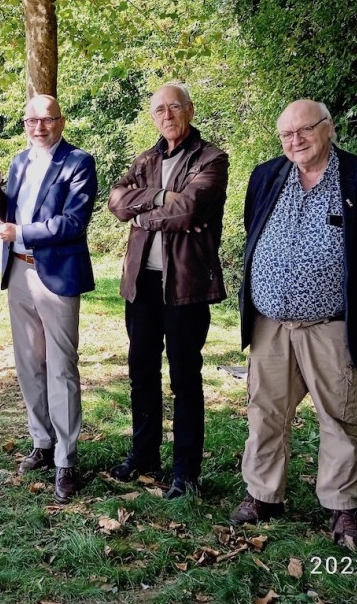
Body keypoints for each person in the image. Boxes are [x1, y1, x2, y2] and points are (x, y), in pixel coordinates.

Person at [230, 98, 357, 547]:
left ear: (328, 128)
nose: (295, 141)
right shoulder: (266, 175)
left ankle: (342, 508)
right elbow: (253, 228)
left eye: (304, 130)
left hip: (331, 324)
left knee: (340, 417)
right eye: (286, 135)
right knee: (265, 412)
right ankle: (264, 495)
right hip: (270, 324)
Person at [108, 83, 229, 500]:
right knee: (141, 373)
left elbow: (192, 208)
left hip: (185, 286)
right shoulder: (146, 159)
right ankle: (144, 456)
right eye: (158, 109)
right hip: (141, 284)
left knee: (184, 376)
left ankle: (185, 470)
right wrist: (159, 196)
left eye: (173, 107)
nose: (166, 115)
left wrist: (144, 217)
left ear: (189, 110)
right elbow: (117, 202)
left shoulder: (211, 158)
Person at [0, 94, 98, 504]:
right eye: (32, 120)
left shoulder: (79, 162)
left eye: (47, 120)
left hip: (56, 274)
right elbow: (5, 207)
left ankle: (67, 460)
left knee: (61, 366)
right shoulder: (18, 162)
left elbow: (73, 222)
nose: (39, 127)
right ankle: (42, 441)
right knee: (28, 364)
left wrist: (22, 233)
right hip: (18, 270)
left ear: (61, 122)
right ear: (24, 124)